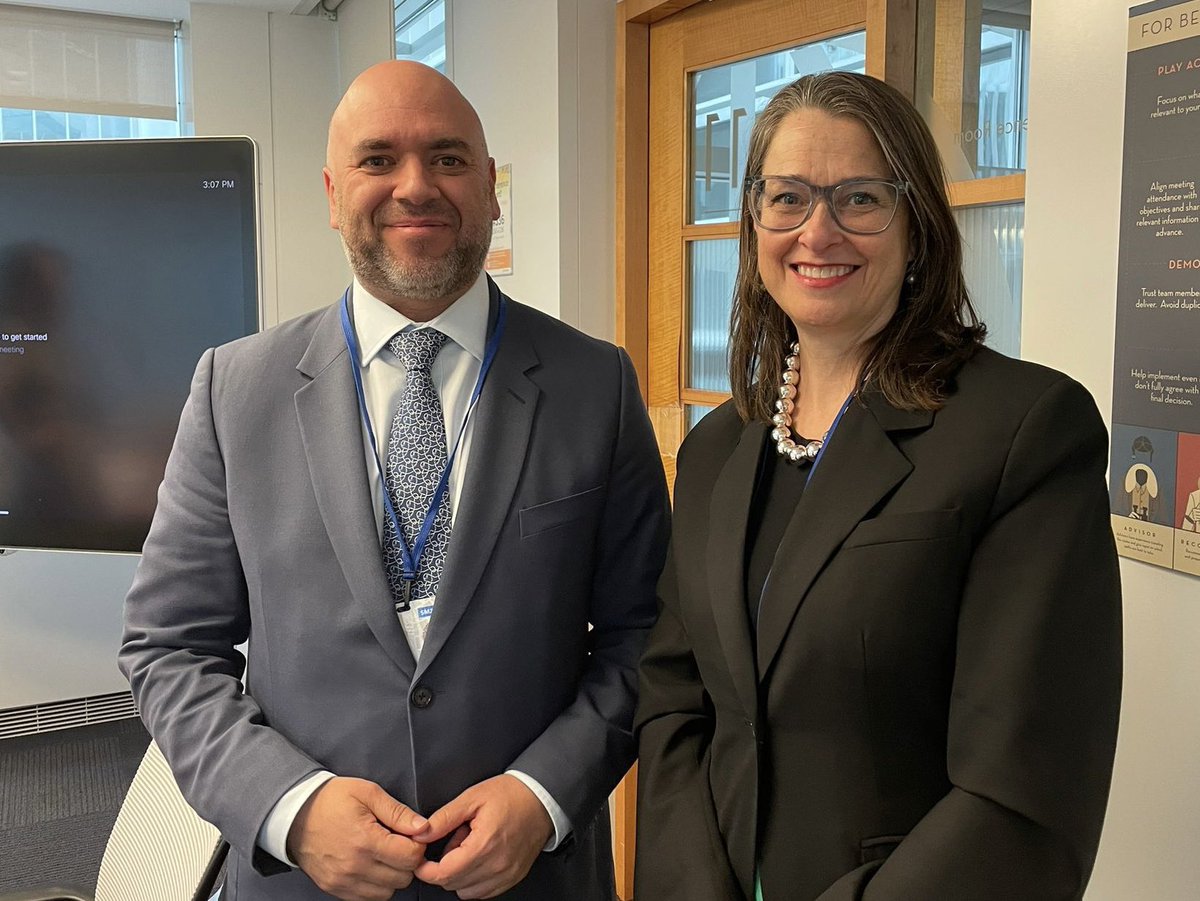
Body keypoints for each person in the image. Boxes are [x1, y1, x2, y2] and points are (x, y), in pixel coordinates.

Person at [120, 60, 668, 901]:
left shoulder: (596, 385)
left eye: (448, 158)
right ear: (334, 193)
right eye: (379, 160)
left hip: (533, 880)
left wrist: (543, 792)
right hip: (303, 884)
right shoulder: (235, 389)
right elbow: (170, 646)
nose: (416, 187)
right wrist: (290, 808)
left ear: (491, 187)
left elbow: (645, 635)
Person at [634, 72, 1121, 901]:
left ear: (917, 225)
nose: (817, 230)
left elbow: (1025, 787)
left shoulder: (1023, 430)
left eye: (860, 198)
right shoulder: (718, 447)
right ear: (754, 221)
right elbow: (676, 700)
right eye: (787, 197)